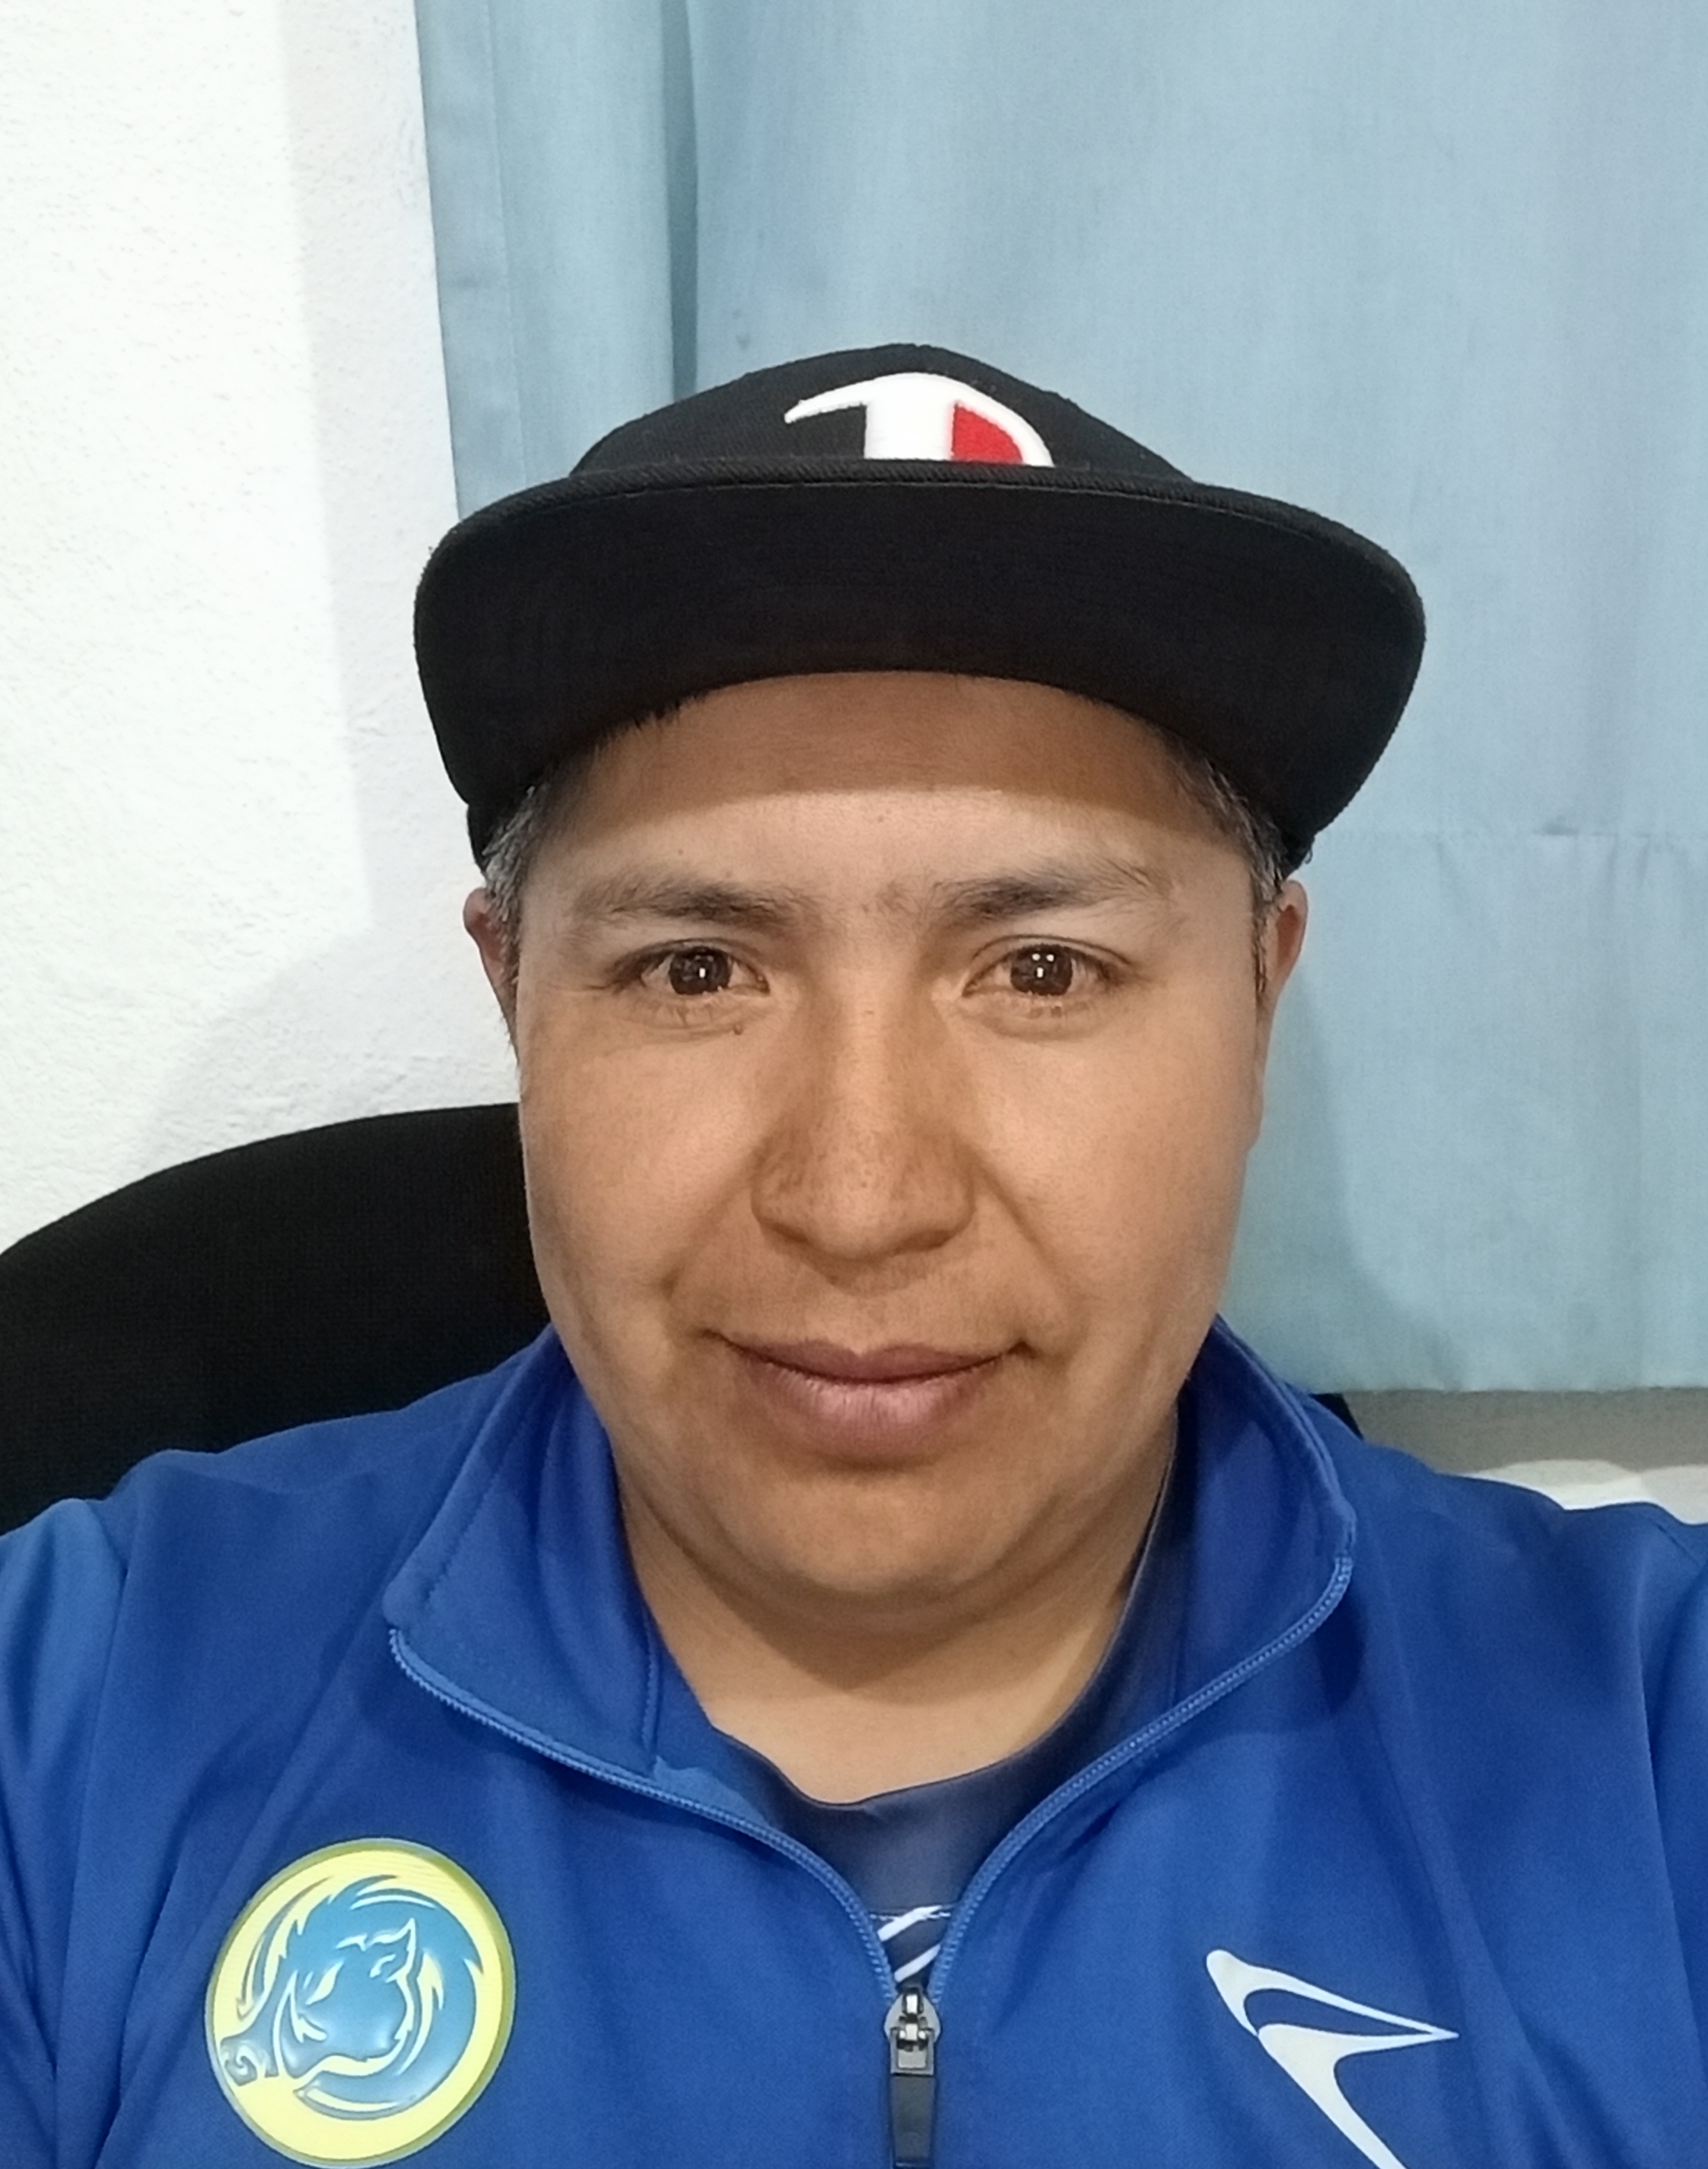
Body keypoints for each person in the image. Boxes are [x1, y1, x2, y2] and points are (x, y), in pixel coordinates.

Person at [2, 344, 1705, 2169]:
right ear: (514, 998)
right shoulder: (67, 1724)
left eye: (1041, 969)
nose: (860, 1197)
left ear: (1259, 999)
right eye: (696, 969)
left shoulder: (1643, 1740)